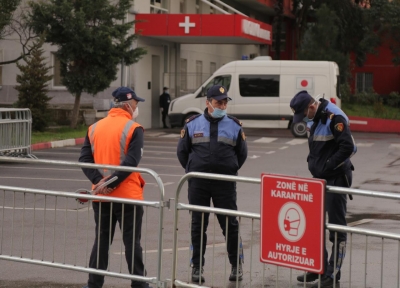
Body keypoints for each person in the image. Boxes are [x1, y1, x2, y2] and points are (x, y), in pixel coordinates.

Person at [177, 84, 248, 283]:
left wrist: (229, 169)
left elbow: (241, 155)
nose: (222, 106)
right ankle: (197, 268)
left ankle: (236, 265)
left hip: (224, 184)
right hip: (198, 184)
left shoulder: (235, 125)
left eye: (225, 103)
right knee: (198, 226)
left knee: (230, 226)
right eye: (218, 102)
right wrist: (194, 169)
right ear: (207, 103)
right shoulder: (192, 124)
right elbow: (183, 153)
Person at [79, 86, 149, 288]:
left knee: (101, 241)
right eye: (136, 104)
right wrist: (110, 183)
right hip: (128, 196)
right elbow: (131, 163)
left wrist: (100, 182)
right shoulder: (134, 128)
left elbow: (84, 159)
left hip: (102, 196)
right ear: (128, 104)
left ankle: (94, 283)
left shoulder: (94, 128)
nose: (136, 107)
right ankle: (140, 284)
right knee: (132, 243)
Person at [290, 90, 357, 288]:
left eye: (304, 115)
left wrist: (327, 165)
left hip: (336, 178)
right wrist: (314, 163)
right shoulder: (315, 116)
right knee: (314, 225)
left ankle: (332, 273)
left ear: (311, 107)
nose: (304, 119)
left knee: (336, 228)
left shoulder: (334, 117)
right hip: (319, 179)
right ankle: (316, 267)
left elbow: (348, 148)